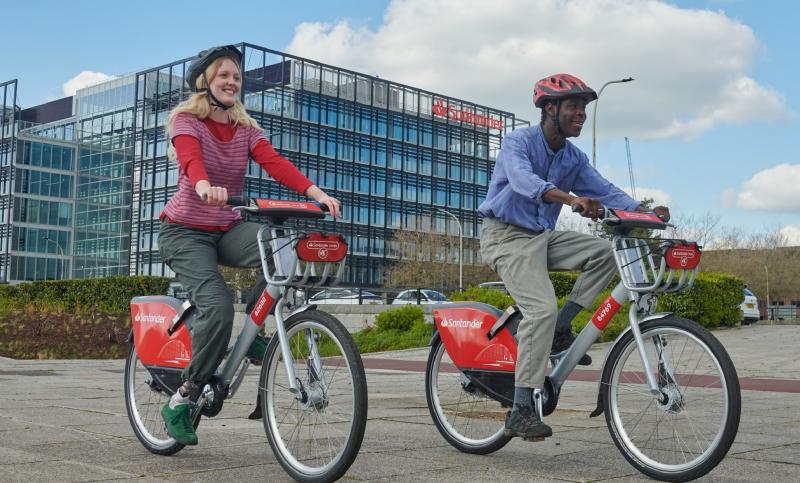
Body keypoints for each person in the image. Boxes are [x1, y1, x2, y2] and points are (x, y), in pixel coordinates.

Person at [157, 45, 340, 445]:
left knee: (280, 247)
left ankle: (252, 333)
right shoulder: (187, 121)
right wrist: (203, 185)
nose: (231, 81)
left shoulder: (245, 129)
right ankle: (182, 398)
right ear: (205, 81)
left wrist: (315, 193)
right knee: (218, 306)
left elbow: (274, 161)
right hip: (184, 231)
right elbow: (191, 159)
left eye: (237, 76)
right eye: (223, 74)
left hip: (225, 227)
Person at [477, 73, 669, 440]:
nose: (580, 114)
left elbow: (605, 191)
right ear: (550, 109)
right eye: (573, 107)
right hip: (504, 237)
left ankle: (561, 328)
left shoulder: (572, 157)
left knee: (605, 252)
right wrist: (570, 199)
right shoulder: (517, 143)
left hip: (540, 237)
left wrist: (646, 212)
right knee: (540, 309)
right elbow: (523, 182)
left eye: (583, 108)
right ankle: (520, 409)